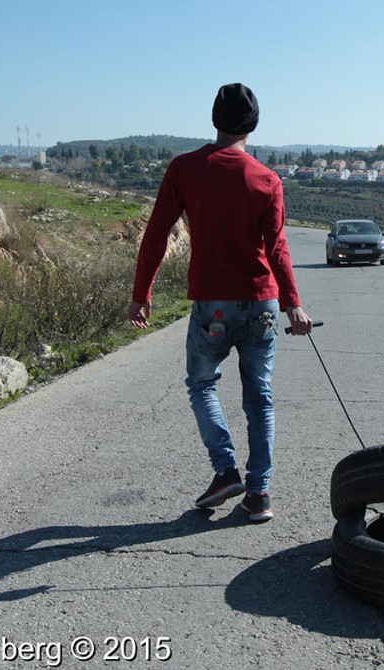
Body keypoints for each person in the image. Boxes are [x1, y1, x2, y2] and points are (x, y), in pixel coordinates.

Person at [128, 83, 313, 523]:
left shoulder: (184, 169)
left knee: (202, 384)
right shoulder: (267, 179)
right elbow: (278, 248)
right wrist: (293, 305)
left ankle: (226, 469)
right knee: (260, 397)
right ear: (254, 124)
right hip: (262, 303)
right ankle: (259, 494)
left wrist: (142, 294)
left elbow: (155, 236)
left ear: (214, 119)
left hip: (212, 304)